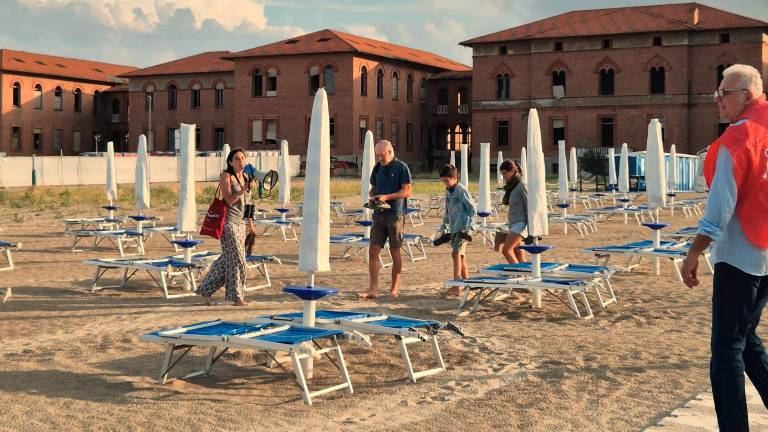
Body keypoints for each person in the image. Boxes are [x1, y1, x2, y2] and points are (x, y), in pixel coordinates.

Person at [680, 64, 768, 431]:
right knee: (745, 337)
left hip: (741, 256)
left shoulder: (738, 139)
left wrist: (695, 251)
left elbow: (719, 210)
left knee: (726, 352)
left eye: (723, 94)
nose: (716, 101)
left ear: (746, 96)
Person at [196, 148, 257, 306]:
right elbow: (229, 200)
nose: (241, 161)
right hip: (228, 223)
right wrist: (244, 190)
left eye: (243, 158)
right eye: (237, 158)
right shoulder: (226, 176)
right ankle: (236, 297)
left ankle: (205, 290)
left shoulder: (246, 177)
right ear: (230, 162)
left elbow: (249, 204)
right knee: (238, 260)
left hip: (240, 224)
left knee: (226, 260)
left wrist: (250, 225)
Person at [358, 140, 412, 300]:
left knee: (395, 251)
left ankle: (394, 289)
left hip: (395, 213)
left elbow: (407, 191)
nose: (380, 158)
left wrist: (387, 197)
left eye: (382, 155)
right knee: (373, 250)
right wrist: (373, 196)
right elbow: (372, 188)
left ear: (390, 151)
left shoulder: (402, 167)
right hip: (378, 213)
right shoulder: (377, 167)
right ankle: (373, 289)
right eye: (378, 155)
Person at [436, 164, 476, 296]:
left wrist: (469, 227)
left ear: (454, 178)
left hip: (463, 228)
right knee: (461, 256)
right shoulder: (448, 191)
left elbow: (472, 210)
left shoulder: (462, 191)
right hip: (453, 227)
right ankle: (467, 283)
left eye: (446, 180)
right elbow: (447, 211)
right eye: (443, 181)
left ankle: (456, 286)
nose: (445, 184)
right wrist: (444, 226)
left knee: (455, 254)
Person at [497, 160, 527, 264]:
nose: (504, 176)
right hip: (513, 223)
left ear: (513, 171)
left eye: (505, 173)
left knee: (506, 250)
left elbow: (529, 206)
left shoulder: (521, 185)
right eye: (502, 174)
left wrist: (530, 229)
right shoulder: (512, 186)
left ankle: (518, 274)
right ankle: (526, 276)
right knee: (518, 253)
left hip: (520, 224)